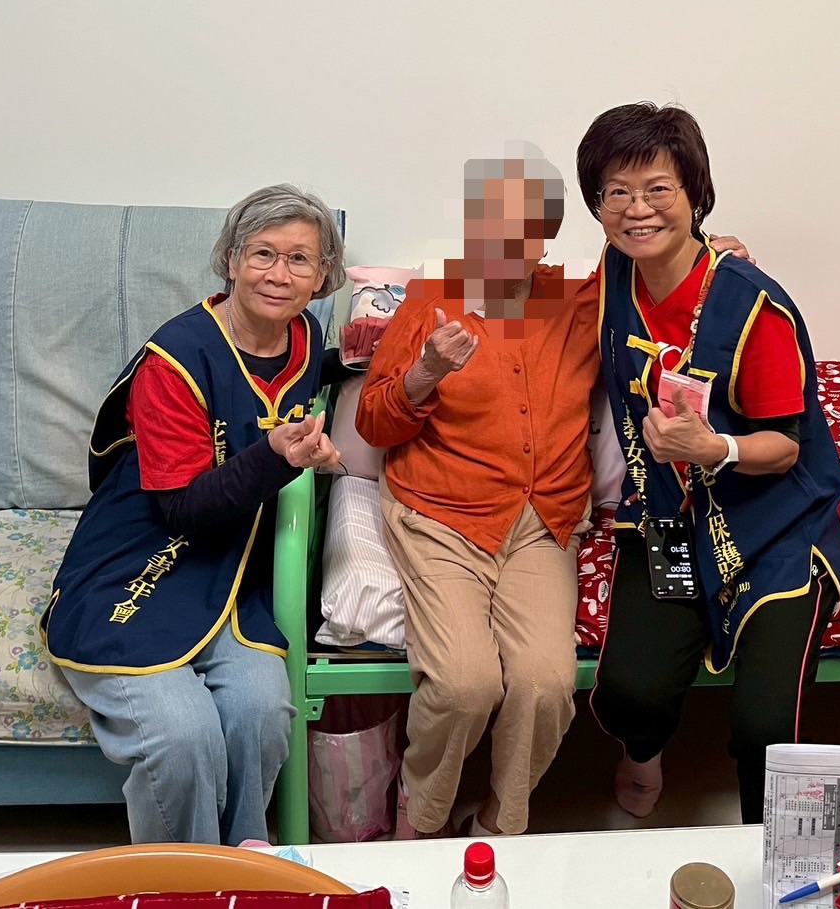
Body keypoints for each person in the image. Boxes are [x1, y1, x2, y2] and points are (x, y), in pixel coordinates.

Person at [357, 148, 749, 840]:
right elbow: (373, 422)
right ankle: (421, 820)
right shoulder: (431, 299)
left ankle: (500, 824)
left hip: (544, 519)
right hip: (442, 514)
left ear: (548, 234)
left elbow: (662, 274)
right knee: (465, 684)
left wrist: (716, 255)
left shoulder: (581, 298)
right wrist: (425, 372)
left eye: (527, 224)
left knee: (544, 684)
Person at [41, 184, 347, 845]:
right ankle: (185, 879)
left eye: (299, 259)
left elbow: (283, 388)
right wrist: (276, 456)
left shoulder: (303, 335)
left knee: (263, 712)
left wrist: (363, 364)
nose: (279, 274)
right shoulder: (175, 359)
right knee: (183, 737)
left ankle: (243, 860)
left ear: (323, 275)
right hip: (139, 552)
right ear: (231, 260)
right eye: (263, 253)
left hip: (230, 567)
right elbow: (180, 506)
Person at [576, 103, 840, 824]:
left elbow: (785, 446)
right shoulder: (615, 271)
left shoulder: (754, 305)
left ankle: (770, 845)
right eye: (616, 192)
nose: (637, 210)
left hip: (772, 523)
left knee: (766, 727)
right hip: (670, 510)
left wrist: (715, 448)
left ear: (696, 193)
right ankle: (643, 754)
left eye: (658, 189)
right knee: (629, 691)